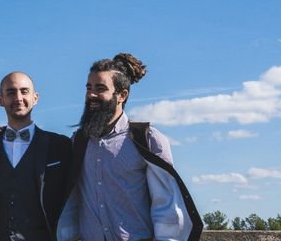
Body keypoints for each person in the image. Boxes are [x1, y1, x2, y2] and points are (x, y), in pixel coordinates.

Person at [60, 53, 202, 241]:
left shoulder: (148, 140)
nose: (91, 95)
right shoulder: (77, 143)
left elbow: (166, 207)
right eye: (89, 88)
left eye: (100, 88)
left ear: (122, 95)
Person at [0, 71, 72, 241]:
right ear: (0, 100)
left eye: (24, 91)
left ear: (35, 98)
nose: (18, 97)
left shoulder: (60, 145)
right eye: (11, 92)